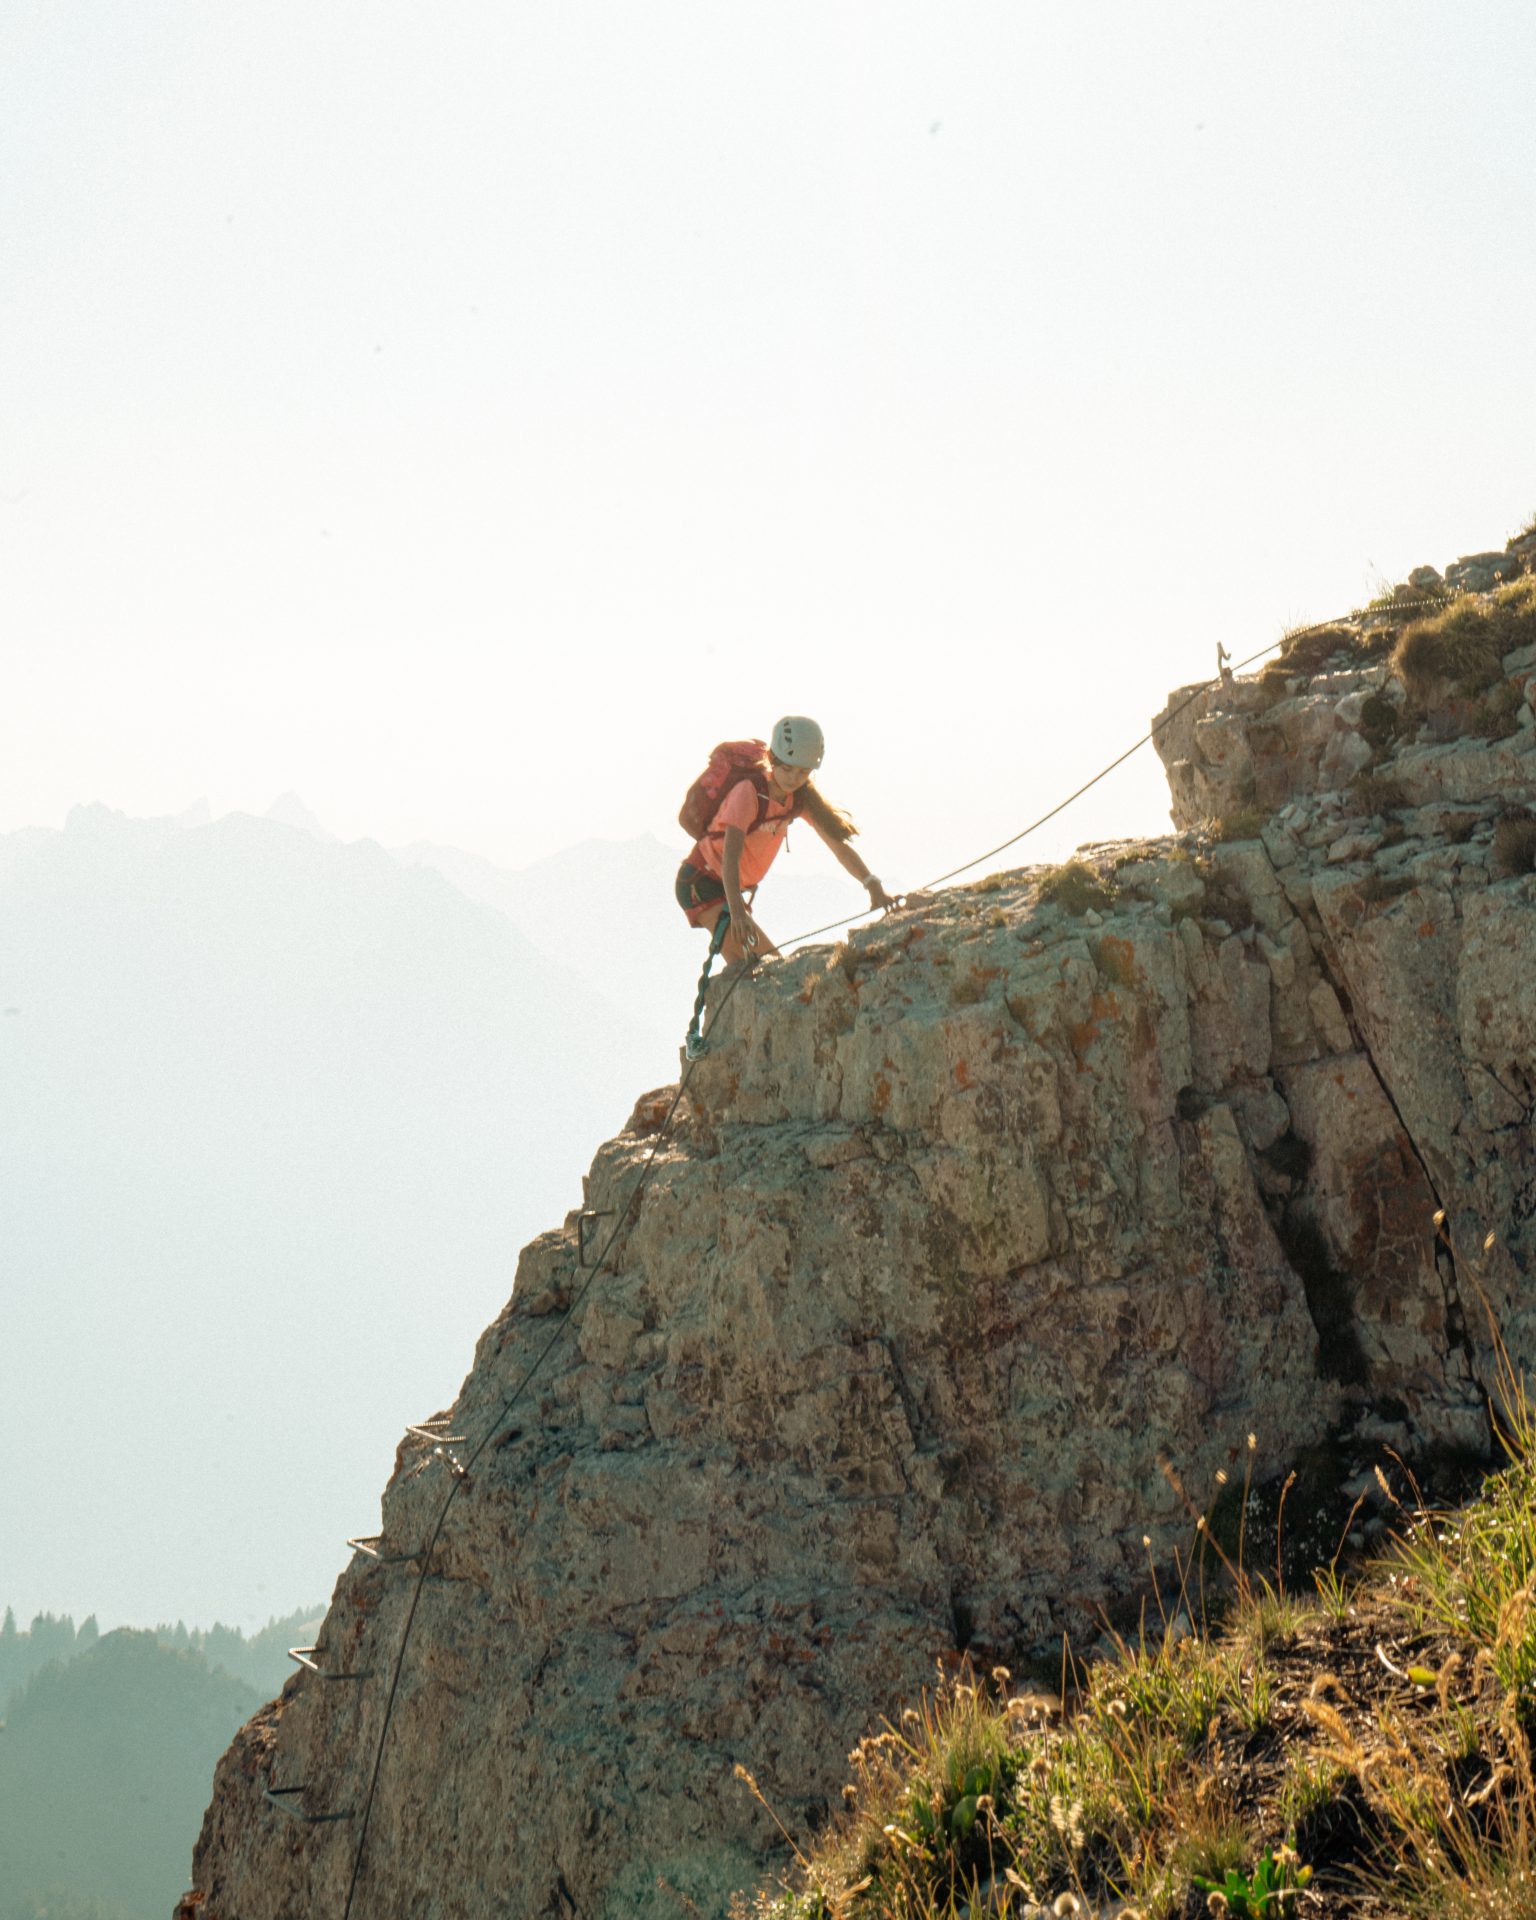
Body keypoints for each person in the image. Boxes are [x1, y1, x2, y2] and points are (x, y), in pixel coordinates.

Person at [675, 716, 897, 966]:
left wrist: (871, 883)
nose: (793, 778)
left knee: (757, 967)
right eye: (788, 768)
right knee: (760, 967)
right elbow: (730, 856)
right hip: (701, 883)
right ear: (772, 760)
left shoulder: (799, 798)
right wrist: (737, 913)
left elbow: (838, 846)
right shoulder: (749, 792)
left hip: (726, 889)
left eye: (802, 772)